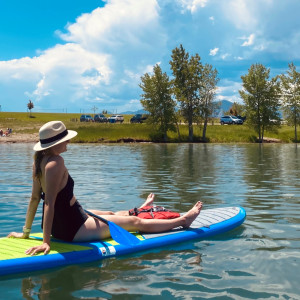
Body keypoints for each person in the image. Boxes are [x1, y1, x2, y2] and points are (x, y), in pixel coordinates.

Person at [8, 121, 203, 255]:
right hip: (74, 227)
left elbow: (35, 199)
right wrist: (46, 243)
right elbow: (49, 202)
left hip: (69, 219)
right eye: (65, 138)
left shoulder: (39, 161)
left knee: (110, 212)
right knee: (135, 222)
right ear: (56, 142)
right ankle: (183, 221)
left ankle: (144, 207)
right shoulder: (55, 163)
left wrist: (26, 232)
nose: (68, 141)